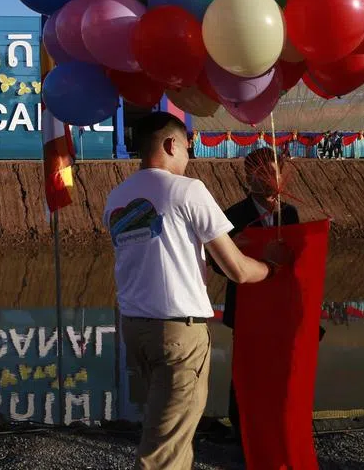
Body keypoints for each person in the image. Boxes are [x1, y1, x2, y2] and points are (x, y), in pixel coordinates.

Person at [104, 112, 279, 470]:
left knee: (170, 432)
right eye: (188, 147)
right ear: (171, 145)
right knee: (162, 453)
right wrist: (272, 267)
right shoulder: (188, 190)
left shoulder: (117, 197)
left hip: (136, 329)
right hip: (177, 335)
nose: (190, 156)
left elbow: (162, 247)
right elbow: (238, 270)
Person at [215, 148, 303, 443]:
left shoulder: (289, 213)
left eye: (274, 171)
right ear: (248, 177)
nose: (270, 178)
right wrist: (236, 251)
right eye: (262, 172)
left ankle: (278, 425)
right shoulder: (233, 216)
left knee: (281, 368)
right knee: (246, 372)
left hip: (280, 307)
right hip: (247, 307)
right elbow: (216, 262)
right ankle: (242, 432)